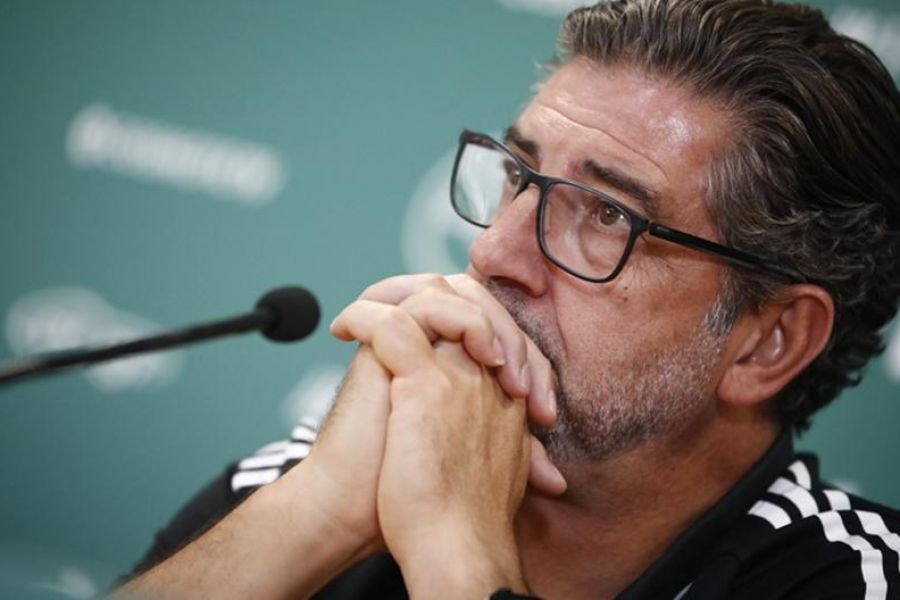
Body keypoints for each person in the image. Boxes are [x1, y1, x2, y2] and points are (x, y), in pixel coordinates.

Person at [114, 0, 900, 598]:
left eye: (607, 215)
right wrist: (317, 510)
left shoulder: (853, 578)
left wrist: (455, 549)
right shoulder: (317, 476)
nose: (492, 253)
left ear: (769, 340)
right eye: (519, 176)